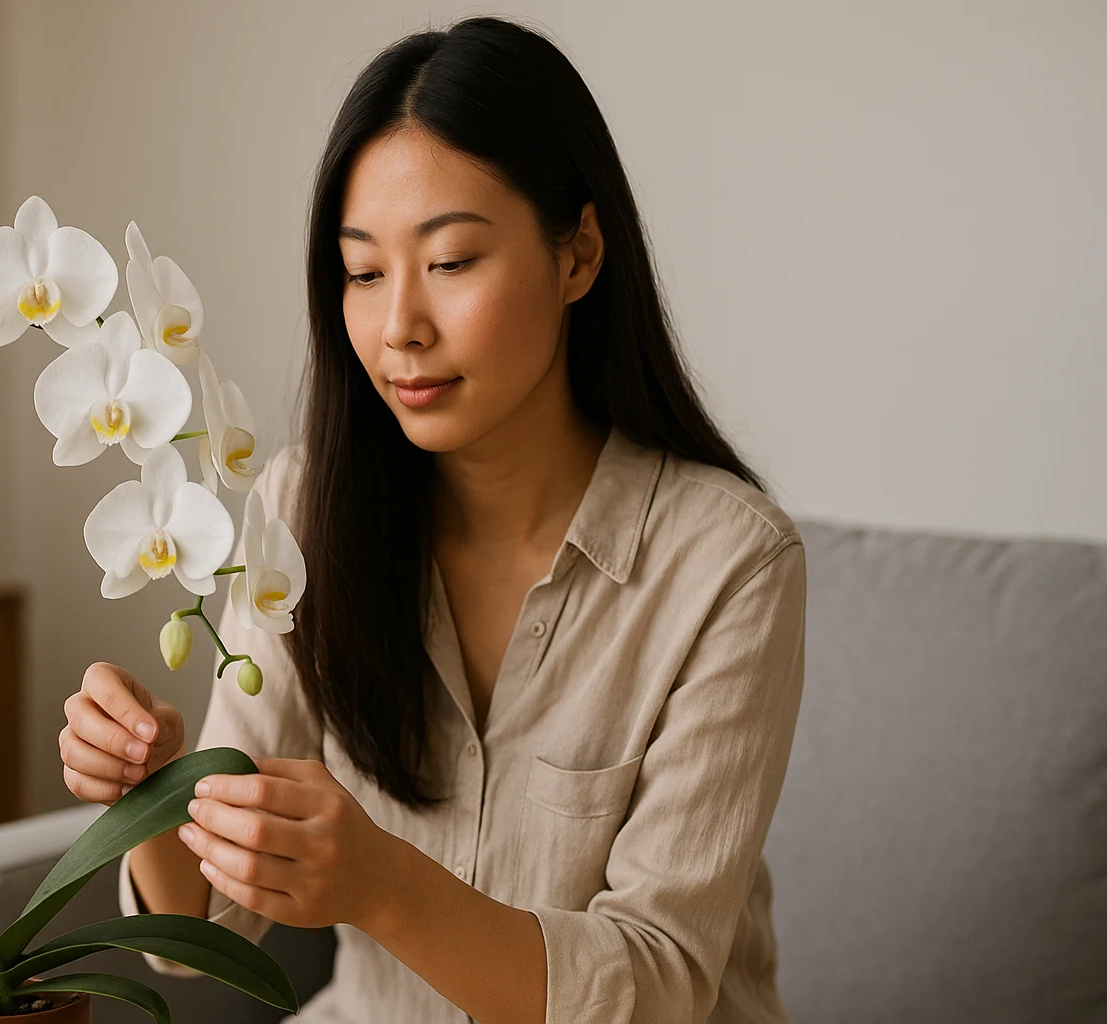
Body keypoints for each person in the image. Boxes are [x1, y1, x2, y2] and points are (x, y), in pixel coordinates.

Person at [58, 15, 806, 1024]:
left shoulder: (729, 563)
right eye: (364, 271)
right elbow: (205, 928)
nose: (398, 326)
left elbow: (658, 985)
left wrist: (382, 883)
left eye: (450, 262)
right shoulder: (305, 511)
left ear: (580, 253)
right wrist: (145, 792)